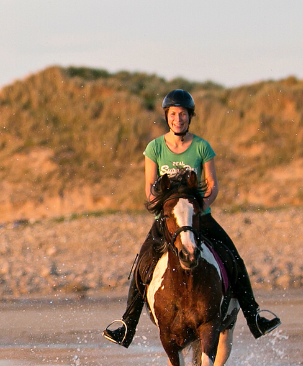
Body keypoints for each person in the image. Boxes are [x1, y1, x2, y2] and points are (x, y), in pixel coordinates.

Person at [103, 89, 280, 347]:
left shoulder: (202, 147)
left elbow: (212, 185)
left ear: (189, 117)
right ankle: (127, 324)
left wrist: (199, 207)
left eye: (183, 114)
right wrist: (162, 207)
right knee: (143, 263)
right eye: (173, 114)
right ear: (167, 117)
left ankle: (254, 316)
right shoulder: (154, 148)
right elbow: (150, 187)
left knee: (234, 258)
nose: (178, 119)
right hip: (168, 220)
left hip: (200, 217)